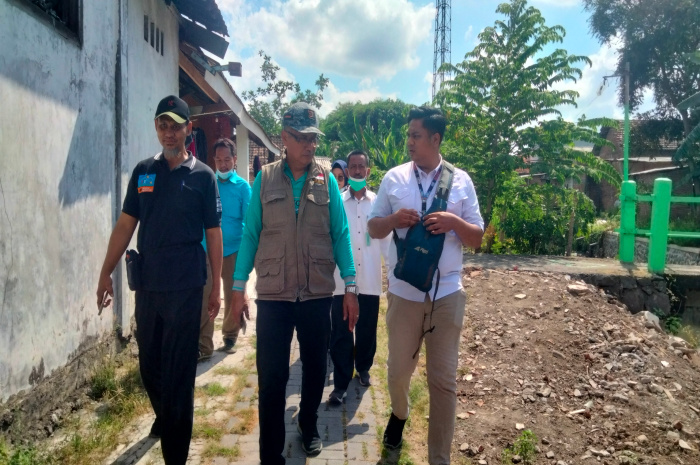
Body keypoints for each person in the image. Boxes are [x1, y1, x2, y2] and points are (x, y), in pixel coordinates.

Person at [96, 95, 222, 465]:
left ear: (188, 129)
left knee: (179, 374)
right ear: (157, 128)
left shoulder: (203, 176)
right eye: (162, 125)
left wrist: (216, 286)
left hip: (185, 287)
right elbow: (125, 225)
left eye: (175, 125)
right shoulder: (143, 171)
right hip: (148, 286)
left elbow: (213, 233)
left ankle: (175, 455)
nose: (168, 132)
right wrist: (106, 270)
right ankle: (165, 414)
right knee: (150, 366)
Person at [231, 102, 360, 464]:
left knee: (317, 367)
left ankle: (308, 422)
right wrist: (238, 287)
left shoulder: (327, 180)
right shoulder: (265, 179)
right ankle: (271, 452)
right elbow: (250, 233)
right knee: (271, 376)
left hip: (318, 292)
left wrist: (350, 287)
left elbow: (341, 233)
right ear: (284, 138)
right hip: (273, 293)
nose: (309, 145)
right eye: (301, 138)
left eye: (313, 138)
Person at [367, 106, 484, 465]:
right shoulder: (394, 178)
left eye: (416, 135)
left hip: (447, 294)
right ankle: (399, 414)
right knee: (398, 373)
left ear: (435, 139)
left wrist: (453, 222)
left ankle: (439, 459)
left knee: (443, 382)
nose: (410, 142)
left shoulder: (461, 181)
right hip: (404, 294)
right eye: (408, 135)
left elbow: (477, 238)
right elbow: (373, 228)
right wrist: (392, 219)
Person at [328, 150, 389, 404]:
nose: (355, 171)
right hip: (341, 282)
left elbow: (386, 241)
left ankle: (363, 368)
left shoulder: (378, 204)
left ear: (368, 171)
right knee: (341, 332)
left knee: (366, 329)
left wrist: (392, 273)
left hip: (370, 278)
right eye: (352, 166)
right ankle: (340, 384)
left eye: (360, 167)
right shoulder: (337, 203)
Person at [198, 138, 252, 361]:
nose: (222, 164)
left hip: (233, 249)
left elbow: (249, 220)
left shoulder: (243, 187)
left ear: (235, 160)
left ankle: (230, 334)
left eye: (227, 159)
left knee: (232, 294)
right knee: (206, 295)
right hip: (206, 248)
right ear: (214, 160)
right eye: (218, 160)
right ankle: (203, 346)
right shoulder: (207, 183)